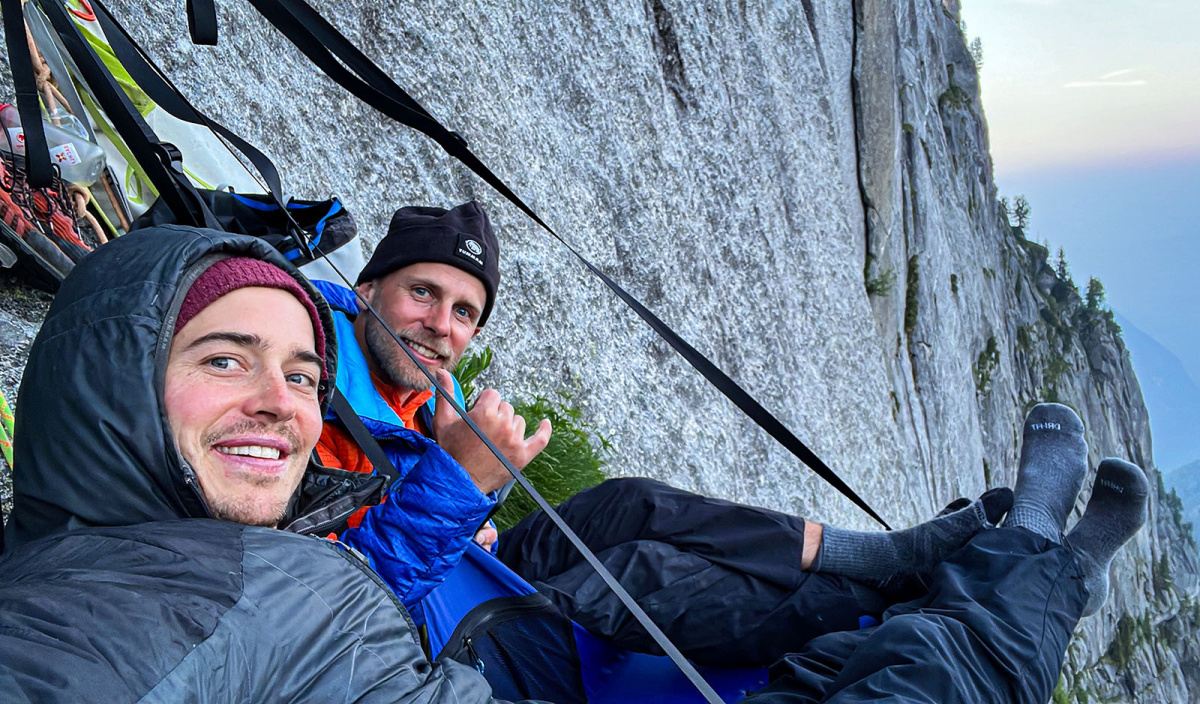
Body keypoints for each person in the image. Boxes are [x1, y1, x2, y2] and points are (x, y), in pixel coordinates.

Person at [0, 227, 1149, 704]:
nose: (280, 397)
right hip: (457, 609)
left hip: (456, 596)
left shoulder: (203, 513)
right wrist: (452, 488)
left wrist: (458, 486)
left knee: (634, 514)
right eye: (223, 358)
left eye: (294, 372)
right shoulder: (122, 607)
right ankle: (1012, 574)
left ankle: (935, 566)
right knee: (654, 573)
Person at [314, 200, 1017, 667]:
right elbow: (328, 590)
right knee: (639, 575)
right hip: (419, 620)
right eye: (423, 294)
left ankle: (875, 555)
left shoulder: (436, 395)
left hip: (452, 563)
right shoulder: (308, 376)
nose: (443, 327)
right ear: (369, 288)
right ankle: (887, 606)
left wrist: (468, 505)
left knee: (632, 503)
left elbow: (443, 513)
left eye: (466, 312)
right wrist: (459, 484)